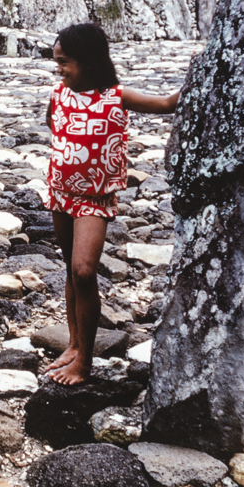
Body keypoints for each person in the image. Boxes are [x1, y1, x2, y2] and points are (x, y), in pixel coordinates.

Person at [45, 21, 180, 385]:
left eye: (64, 62)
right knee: (70, 269)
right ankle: (74, 344)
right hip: (60, 192)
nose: (58, 69)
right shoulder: (59, 94)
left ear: (88, 60)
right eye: (56, 61)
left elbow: (167, 104)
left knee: (84, 271)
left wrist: (208, 71)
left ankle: (84, 362)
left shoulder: (116, 96)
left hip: (95, 198)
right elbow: (56, 129)